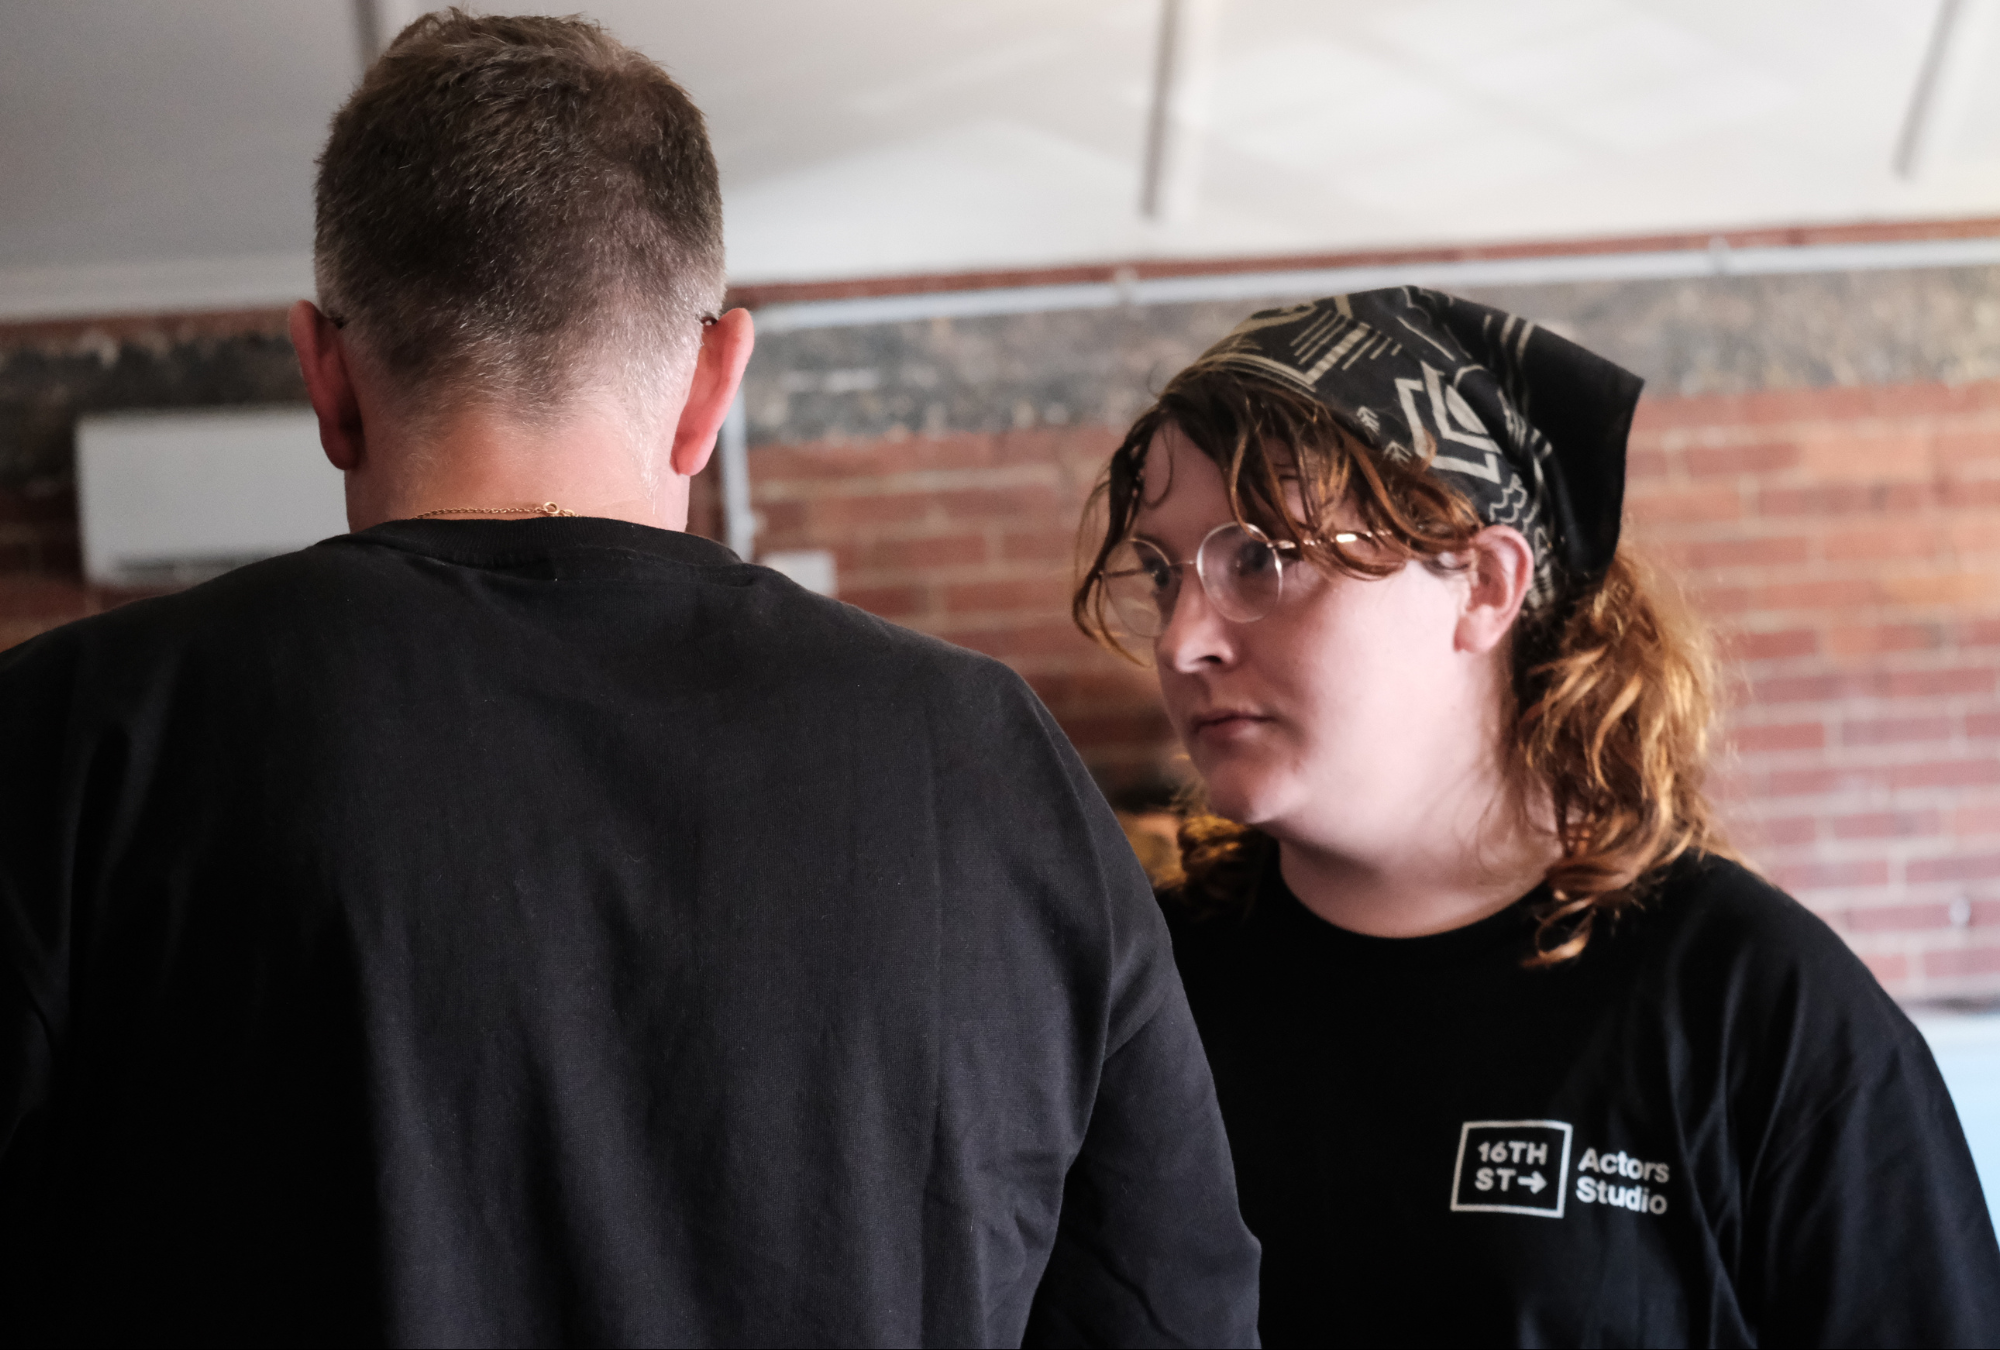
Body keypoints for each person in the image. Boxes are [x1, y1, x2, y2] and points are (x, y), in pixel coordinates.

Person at [0, 13, 1259, 1345]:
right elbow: (1169, 1309)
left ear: (327, 376)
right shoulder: (988, 756)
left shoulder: (72, 739)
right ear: (715, 383)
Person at [1072, 288, 2000, 1347]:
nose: (1181, 639)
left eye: (1259, 558)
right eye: (1163, 573)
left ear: (1480, 583)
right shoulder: (1141, 1001)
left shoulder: (1753, 1005)